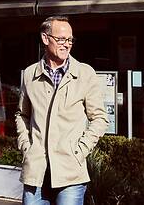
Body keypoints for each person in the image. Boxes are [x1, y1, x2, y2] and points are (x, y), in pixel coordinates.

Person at [16, 16, 108, 205]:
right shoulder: (29, 74)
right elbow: (22, 115)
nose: (66, 44)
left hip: (71, 173)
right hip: (36, 172)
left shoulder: (85, 73)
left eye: (70, 40)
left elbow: (100, 118)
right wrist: (26, 146)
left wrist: (80, 151)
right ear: (45, 38)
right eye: (61, 39)